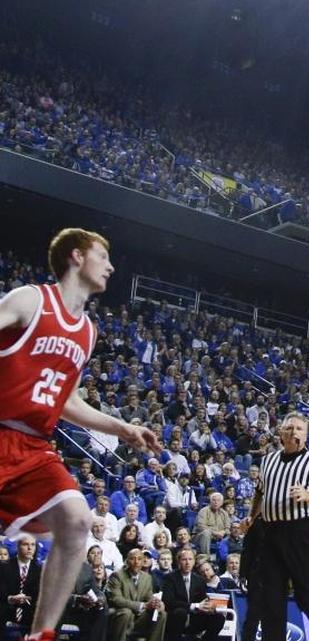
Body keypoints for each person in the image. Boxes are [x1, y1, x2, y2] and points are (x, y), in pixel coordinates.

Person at [0, 229, 161, 641]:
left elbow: (67, 401)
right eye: (103, 255)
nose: (110, 266)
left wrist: (121, 427)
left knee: (76, 522)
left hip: (33, 444)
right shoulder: (31, 300)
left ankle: (41, 635)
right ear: (76, 256)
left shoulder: (87, 332)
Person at [240, 413, 309, 641]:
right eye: (290, 428)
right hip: (270, 533)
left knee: (307, 597)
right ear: (281, 433)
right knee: (271, 598)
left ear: (305, 436)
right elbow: (260, 492)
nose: (294, 432)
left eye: (299, 429)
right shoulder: (268, 460)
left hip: (300, 534)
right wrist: (250, 516)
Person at [160, 549, 224, 641]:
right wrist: (194, 606)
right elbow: (169, 601)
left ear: (194, 562)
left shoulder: (199, 579)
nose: (187, 563)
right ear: (178, 561)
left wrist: (209, 605)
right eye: (184, 559)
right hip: (175, 618)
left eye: (190, 559)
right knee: (180, 612)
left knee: (219, 618)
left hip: (194, 618)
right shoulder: (169, 578)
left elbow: (203, 599)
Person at [106, 549, 166, 641]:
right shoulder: (117, 576)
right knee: (126, 612)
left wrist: (157, 603)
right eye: (132, 559)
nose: (136, 562)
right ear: (126, 561)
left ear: (143, 562)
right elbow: (116, 599)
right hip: (121, 616)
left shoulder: (147, 577)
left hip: (139, 617)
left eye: (139, 559)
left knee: (161, 614)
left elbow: (149, 596)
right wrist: (142, 605)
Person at [64, 545, 108, 641]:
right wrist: (77, 599)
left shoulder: (86, 569)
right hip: (63, 612)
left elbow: (95, 590)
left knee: (101, 609)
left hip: (81, 611)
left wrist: (100, 599)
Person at [1, 535, 41, 627]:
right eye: (25, 544)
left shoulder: (41, 571)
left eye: (33, 545)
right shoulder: (3, 567)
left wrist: (28, 600)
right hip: (6, 612)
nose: (30, 548)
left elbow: (41, 596)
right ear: (18, 546)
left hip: (30, 615)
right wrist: (10, 599)